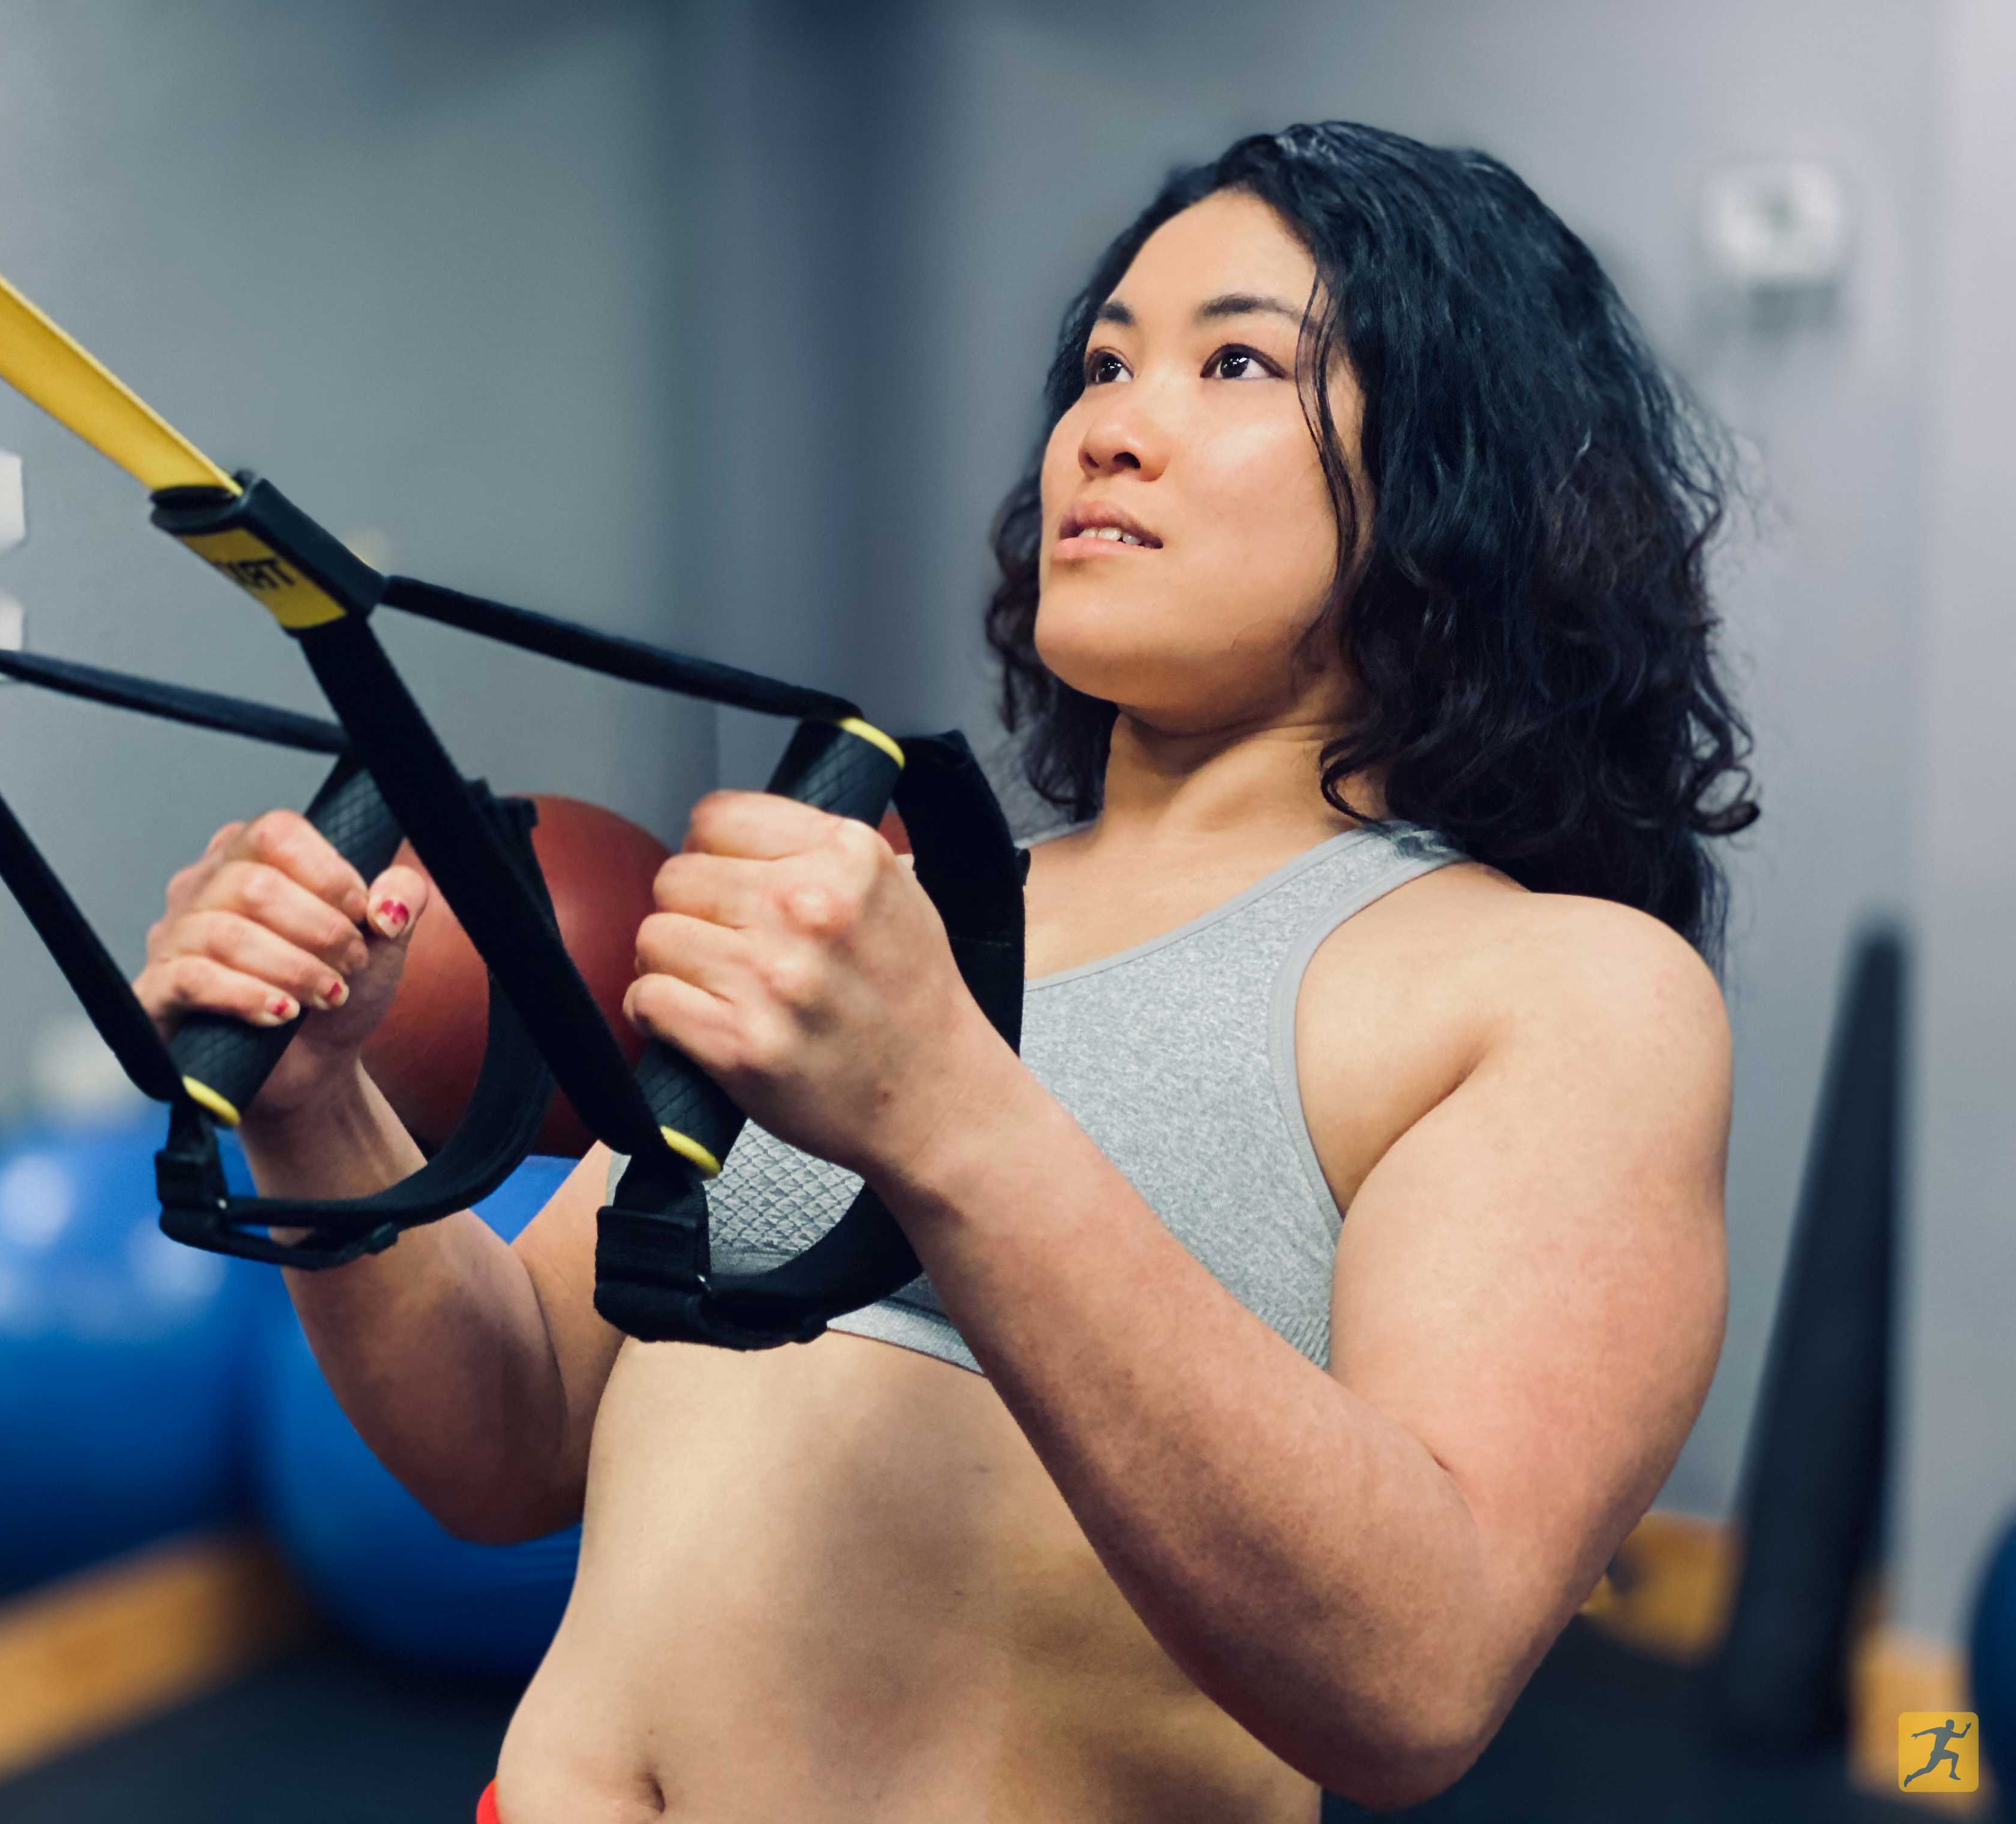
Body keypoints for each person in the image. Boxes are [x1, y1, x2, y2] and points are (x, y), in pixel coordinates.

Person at [135, 121, 1750, 1820]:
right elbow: (511, 1433)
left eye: (1235, 363)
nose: (1108, 429)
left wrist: (952, 1116)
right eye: (1104, 361)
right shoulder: (882, 926)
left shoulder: (1559, 991)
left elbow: (1414, 1679)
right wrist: (316, 1109)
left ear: (1455, 478)